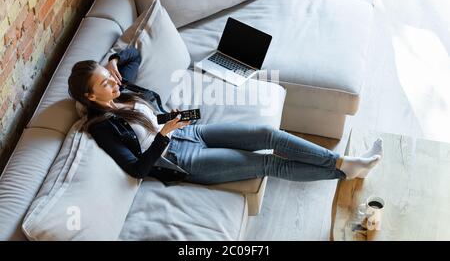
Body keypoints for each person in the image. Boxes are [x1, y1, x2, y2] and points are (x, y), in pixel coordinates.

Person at [67, 47, 383, 186]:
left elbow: (133, 54)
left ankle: (342, 163)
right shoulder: (102, 129)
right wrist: (164, 135)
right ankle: (344, 168)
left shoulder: (121, 89)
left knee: (265, 134)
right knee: (266, 162)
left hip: (188, 132)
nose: (114, 82)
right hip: (180, 160)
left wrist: (111, 62)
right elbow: (136, 169)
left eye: (110, 77)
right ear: (91, 97)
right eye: (105, 83)